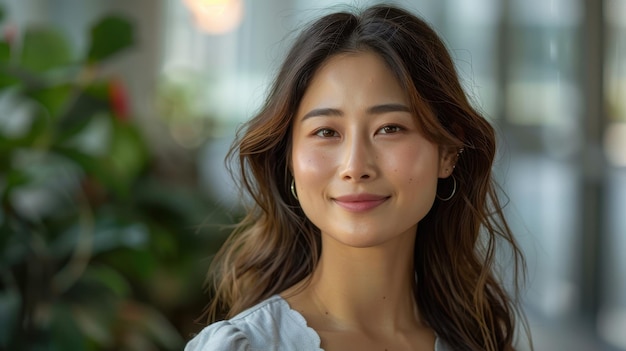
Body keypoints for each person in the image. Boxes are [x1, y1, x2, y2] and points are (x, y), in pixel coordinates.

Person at [186, 4, 530, 351]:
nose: (355, 166)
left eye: (390, 128)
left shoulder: (480, 342)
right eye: (326, 132)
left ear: (447, 153)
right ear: (288, 158)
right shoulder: (243, 346)